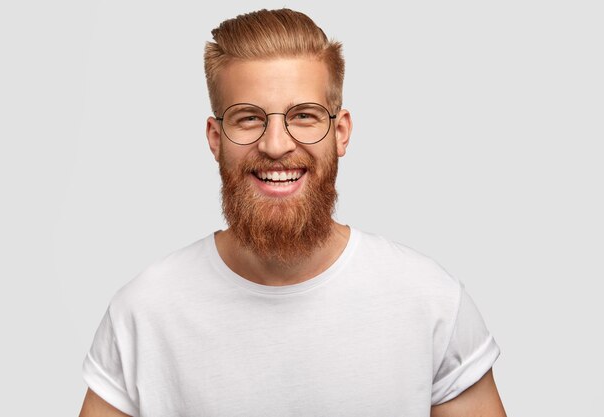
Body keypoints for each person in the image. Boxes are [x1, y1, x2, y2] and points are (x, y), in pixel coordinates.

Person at [79, 8, 506, 417]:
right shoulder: (144, 312)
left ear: (340, 133)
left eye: (304, 115)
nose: (276, 144)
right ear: (216, 138)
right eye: (248, 118)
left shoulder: (431, 302)